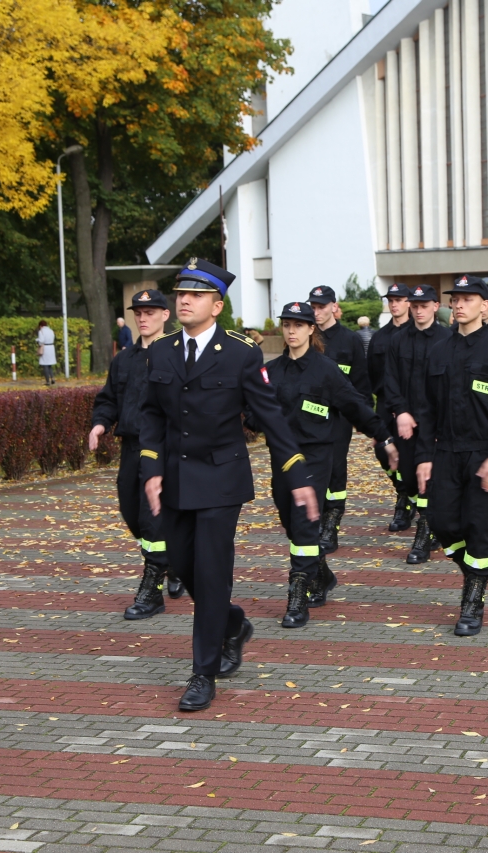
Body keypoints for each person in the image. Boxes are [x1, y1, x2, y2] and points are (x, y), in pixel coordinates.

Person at [140, 258, 317, 712]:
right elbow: (152, 416)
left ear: (216, 305)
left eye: (195, 295)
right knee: (181, 566)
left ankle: (203, 672)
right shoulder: (160, 352)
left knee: (212, 572)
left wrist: (296, 473)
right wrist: (152, 469)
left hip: (221, 479)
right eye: (181, 293)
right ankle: (233, 622)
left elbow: (271, 416)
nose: (184, 300)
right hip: (176, 479)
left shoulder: (241, 354)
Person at [262, 301, 397, 628]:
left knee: (305, 522)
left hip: (316, 455)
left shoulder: (326, 369)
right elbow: (256, 409)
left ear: (312, 329)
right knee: (291, 522)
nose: (291, 330)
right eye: (287, 324)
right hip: (282, 457)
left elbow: (355, 406)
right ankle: (321, 574)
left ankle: (299, 593)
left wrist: (384, 437)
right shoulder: (272, 370)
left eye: (299, 324)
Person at [412, 275, 488, 636]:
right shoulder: (439, 350)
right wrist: (425, 455)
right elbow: (426, 408)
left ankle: (473, 599)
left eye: (468, 299)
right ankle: (474, 571)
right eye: (455, 299)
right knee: (441, 521)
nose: (459, 305)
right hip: (445, 451)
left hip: (483, 452)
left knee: (479, 525)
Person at [90, 288, 181, 621]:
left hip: (162, 450)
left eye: (150, 312)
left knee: (151, 518)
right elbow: (108, 399)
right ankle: (172, 561)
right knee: (132, 514)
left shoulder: (177, 354)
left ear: (165, 315)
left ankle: (151, 589)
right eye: (138, 313)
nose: (143, 318)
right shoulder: (124, 358)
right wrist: (100, 425)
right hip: (130, 448)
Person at [385, 284, 451, 563]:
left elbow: (451, 386)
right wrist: (400, 412)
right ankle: (431, 521)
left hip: (436, 423)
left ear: (436, 306)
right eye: (415, 305)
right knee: (410, 479)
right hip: (407, 423)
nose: (419, 310)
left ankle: (424, 535)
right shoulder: (397, 340)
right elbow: (389, 380)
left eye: (424, 305)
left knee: (430, 480)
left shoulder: (448, 339)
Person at [306, 286, 369, 554]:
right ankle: (314, 520)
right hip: (309, 416)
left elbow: (361, 383)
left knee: (335, 471)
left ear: (334, 306)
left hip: (339, 419)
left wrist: (362, 416)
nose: (317, 312)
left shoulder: (349, 340)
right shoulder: (306, 335)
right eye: (313, 307)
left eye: (321, 306)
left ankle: (331, 524)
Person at [370, 282, 413, 531]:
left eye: (399, 299)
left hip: (409, 405)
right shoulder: (379, 337)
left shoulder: (416, 333)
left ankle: (407, 501)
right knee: (383, 452)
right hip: (385, 404)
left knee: (408, 455)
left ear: (409, 302)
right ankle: (402, 492)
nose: (394, 304)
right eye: (391, 300)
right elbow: (370, 374)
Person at [36, 320, 56, 386]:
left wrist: (37, 340)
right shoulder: (51, 331)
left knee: (45, 365)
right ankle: (52, 378)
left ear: (40, 326)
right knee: (49, 365)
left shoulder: (41, 331)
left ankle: (47, 381)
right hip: (51, 347)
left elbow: (41, 341)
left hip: (45, 348)